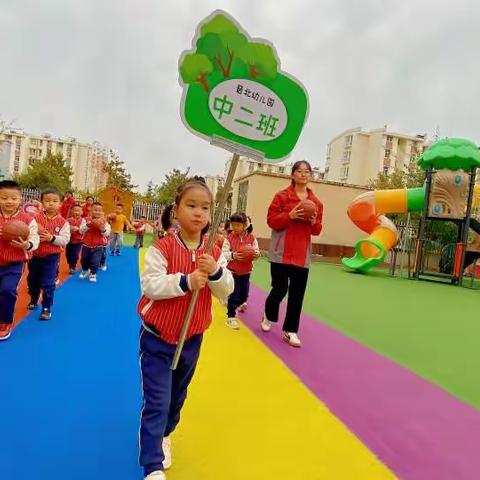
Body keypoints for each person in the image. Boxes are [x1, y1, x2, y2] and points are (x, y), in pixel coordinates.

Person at [137, 179, 233, 480]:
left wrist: (215, 272)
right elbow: (150, 285)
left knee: (177, 396)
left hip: (191, 339)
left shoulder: (214, 251)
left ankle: (165, 434)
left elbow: (226, 290)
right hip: (157, 338)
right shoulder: (162, 248)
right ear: (176, 210)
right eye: (191, 206)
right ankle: (151, 464)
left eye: (205, 208)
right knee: (158, 400)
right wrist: (186, 281)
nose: (198, 213)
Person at [261, 161, 323, 347]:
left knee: (297, 294)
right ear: (293, 174)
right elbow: (271, 221)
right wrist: (290, 216)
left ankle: (290, 330)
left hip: (301, 255)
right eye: (299, 171)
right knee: (279, 289)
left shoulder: (316, 203)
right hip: (280, 252)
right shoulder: (281, 197)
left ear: (310, 175)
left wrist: (313, 222)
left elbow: (317, 230)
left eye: (307, 171)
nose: (303, 174)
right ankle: (269, 315)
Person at [0, 180, 39, 340]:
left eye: (13, 198)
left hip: (15, 263)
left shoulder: (28, 220)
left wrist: (26, 244)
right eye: (4, 198)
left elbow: (35, 239)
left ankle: (5, 321)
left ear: (20, 199)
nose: (9, 201)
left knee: (7, 290)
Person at [28, 189, 70, 320]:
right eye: (47, 201)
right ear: (42, 203)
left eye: (54, 201)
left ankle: (46, 308)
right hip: (34, 256)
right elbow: (27, 231)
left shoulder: (63, 222)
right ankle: (34, 298)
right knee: (32, 280)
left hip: (51, 257)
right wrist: (34, 236)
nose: (51, 204)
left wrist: (51, 238)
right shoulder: (35, 219)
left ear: (60, 204)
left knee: (48, 283)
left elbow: (65, 239)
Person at [223, 212, 259, 330]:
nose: (235, 227)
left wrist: (255, 254)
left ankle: (234, 303)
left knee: (244, 296)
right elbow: (223, 254)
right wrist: (233, 255)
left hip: (246, 272)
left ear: (244, 225)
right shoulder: (229, 238)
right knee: (234, 294)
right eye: (233, 225)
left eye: (238, 225)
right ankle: (231, 317)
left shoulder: (251, 238)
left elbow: (256, 251)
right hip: (233, 271)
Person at [79, 202, 111, 283]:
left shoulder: (104, 222)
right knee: (84, 259)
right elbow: (81, 230)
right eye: (95, 210)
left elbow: (107, 233)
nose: (97, 212)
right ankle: (85, 270)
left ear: (102, 212)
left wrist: (102, 229)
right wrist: (89, 225)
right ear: (91, 211)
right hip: (86, 245)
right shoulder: (85, 220)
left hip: (98, 246)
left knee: (95, 261)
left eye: (99, 210)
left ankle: (93, 273)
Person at [66, 204, 83, 274]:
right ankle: (70, 262)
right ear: (71, 211)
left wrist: (78, 229)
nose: (77, 212)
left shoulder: (83, 220)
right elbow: (64, 228)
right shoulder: (68, 220)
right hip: (69, 241)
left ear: (81, 212)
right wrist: (70, 228)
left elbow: (84, 229)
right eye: (75, 210)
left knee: (75, 254)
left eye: (78, 211)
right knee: (68, 255)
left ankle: (72, 267)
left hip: (78, 241)